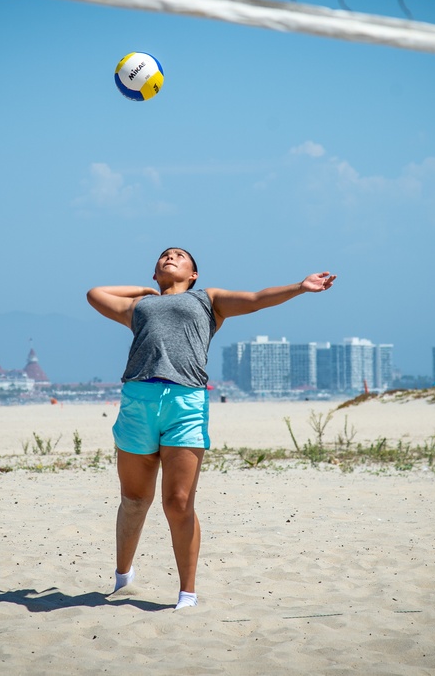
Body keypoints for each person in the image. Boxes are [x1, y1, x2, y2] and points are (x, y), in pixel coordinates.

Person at [86, 248, 336, 610]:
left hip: (186, 404)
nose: (170, 257)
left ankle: (186, 593)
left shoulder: (208, 300)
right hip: (139, 400)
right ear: (155, 272)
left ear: (194, 275)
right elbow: (95, 294)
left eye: (179, 256)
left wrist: (299, 287)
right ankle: (123, 576)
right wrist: (151, 290)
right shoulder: (138, 307)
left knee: (179, 501)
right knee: (135, 500)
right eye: (164, 257)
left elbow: (255, 300)